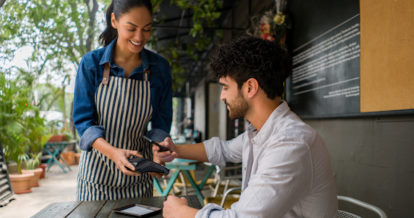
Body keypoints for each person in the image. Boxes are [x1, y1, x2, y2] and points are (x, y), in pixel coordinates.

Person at [155, 36, 338, 217]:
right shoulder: (260, 131)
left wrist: (182, 213)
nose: (222, 96)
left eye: (225, 87)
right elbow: (222, 150)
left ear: (250, 87)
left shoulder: (291, 143)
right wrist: (174, 150)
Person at [73, 0, 172, 201]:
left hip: (138, 180)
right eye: (132, 28)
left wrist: (159, 152)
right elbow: (84, 122)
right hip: (95, 181)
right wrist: (113, 153)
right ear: (114, 21)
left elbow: (161, 123)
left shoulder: (159, 68)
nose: (139, 37)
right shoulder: (91, 64)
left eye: (146, 29)